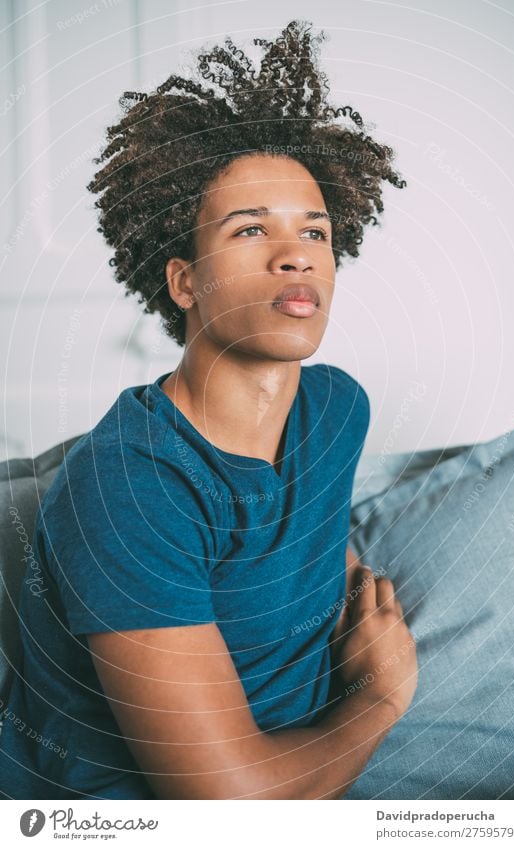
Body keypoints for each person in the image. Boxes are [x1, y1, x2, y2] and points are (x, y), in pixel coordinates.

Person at [0, 19, 417, 800]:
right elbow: (225, 804)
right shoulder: (128, 487)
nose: (295, 254)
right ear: (184, 282)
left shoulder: (337, 409)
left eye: (315, 231)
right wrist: (383, 696)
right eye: (250, 228)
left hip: (314, 772)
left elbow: (303, 547)